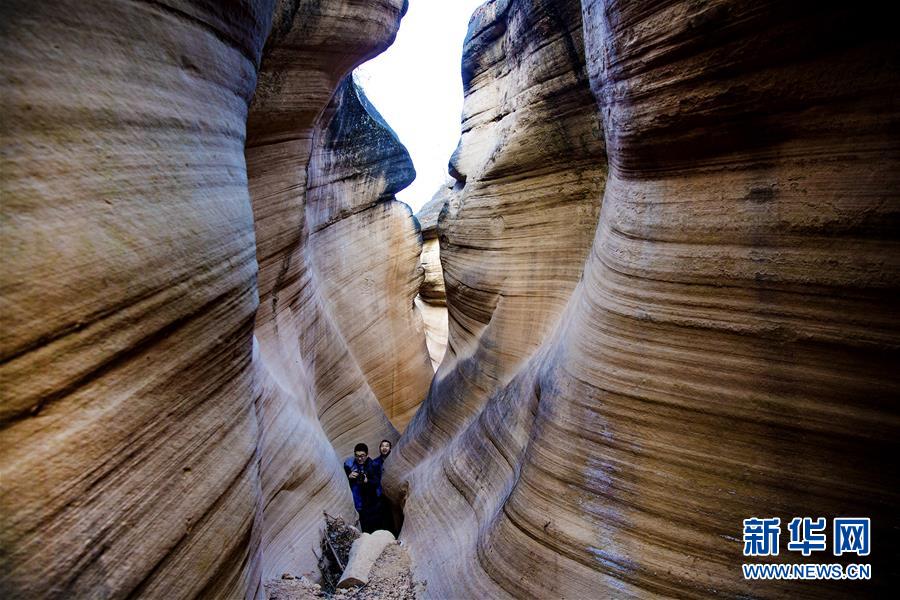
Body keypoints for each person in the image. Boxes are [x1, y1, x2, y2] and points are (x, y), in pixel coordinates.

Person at [343, 443, 381, 533]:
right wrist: (349, 475)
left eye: (362, 456)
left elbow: (377, 483)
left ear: (367, 455)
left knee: (371, 528)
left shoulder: (374, 465)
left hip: (370, 503)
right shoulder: (349, 465)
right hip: (356, 502)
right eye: (357, 456)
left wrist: (367, 481)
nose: (359, 458)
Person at [370, 440, 397, 535]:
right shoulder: (375, 463)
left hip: (393, 492)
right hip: (380, 494)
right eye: (382, 446)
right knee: (383, 515)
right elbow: (372, 479)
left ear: (390, 448)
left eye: (387, 446)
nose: (384, 448)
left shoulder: (395, 460)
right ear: (379, 448)